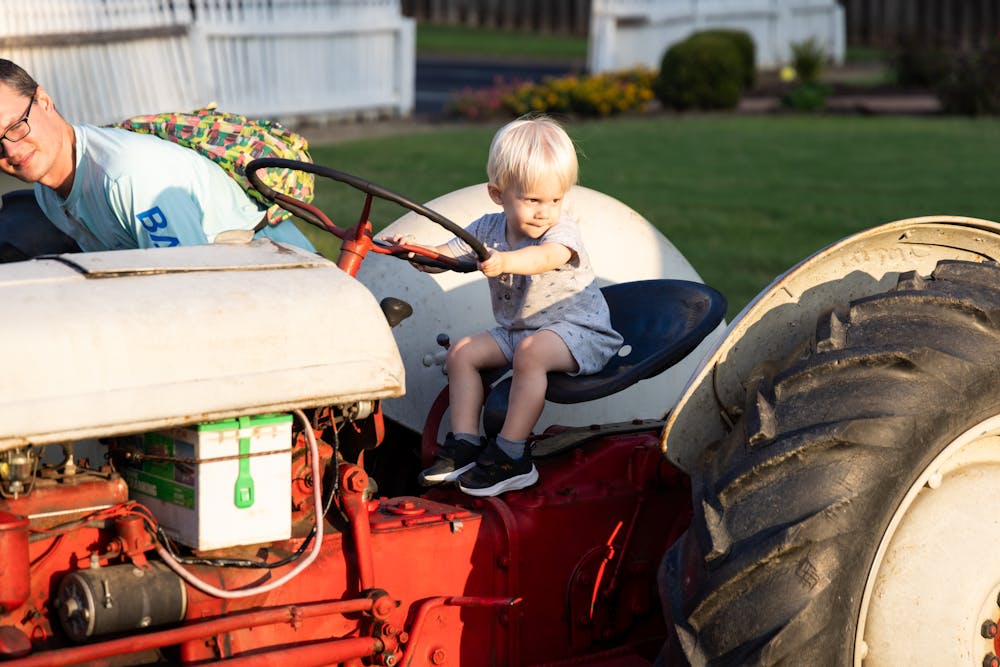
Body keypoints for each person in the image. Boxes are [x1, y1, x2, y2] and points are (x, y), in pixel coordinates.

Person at [389, 116, 623, 497]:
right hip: (522, 330)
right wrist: (418, 253)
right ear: (498, 195)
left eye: (555, 199)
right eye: (532, 200)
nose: (545, 210)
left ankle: (512, 456)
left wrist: (505, 262)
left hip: (578, 331)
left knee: (530, 354)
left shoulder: (560, 231)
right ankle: (465, 442)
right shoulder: (487, 228)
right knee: (463, 352)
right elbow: (450, 256)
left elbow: (546, 258)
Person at [0, 59, 314, 252]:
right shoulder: (47, 190)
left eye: (16, 125)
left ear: (43, 101)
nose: (11, 150)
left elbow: (190, 286)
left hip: (284, 277)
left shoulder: (127, 175)